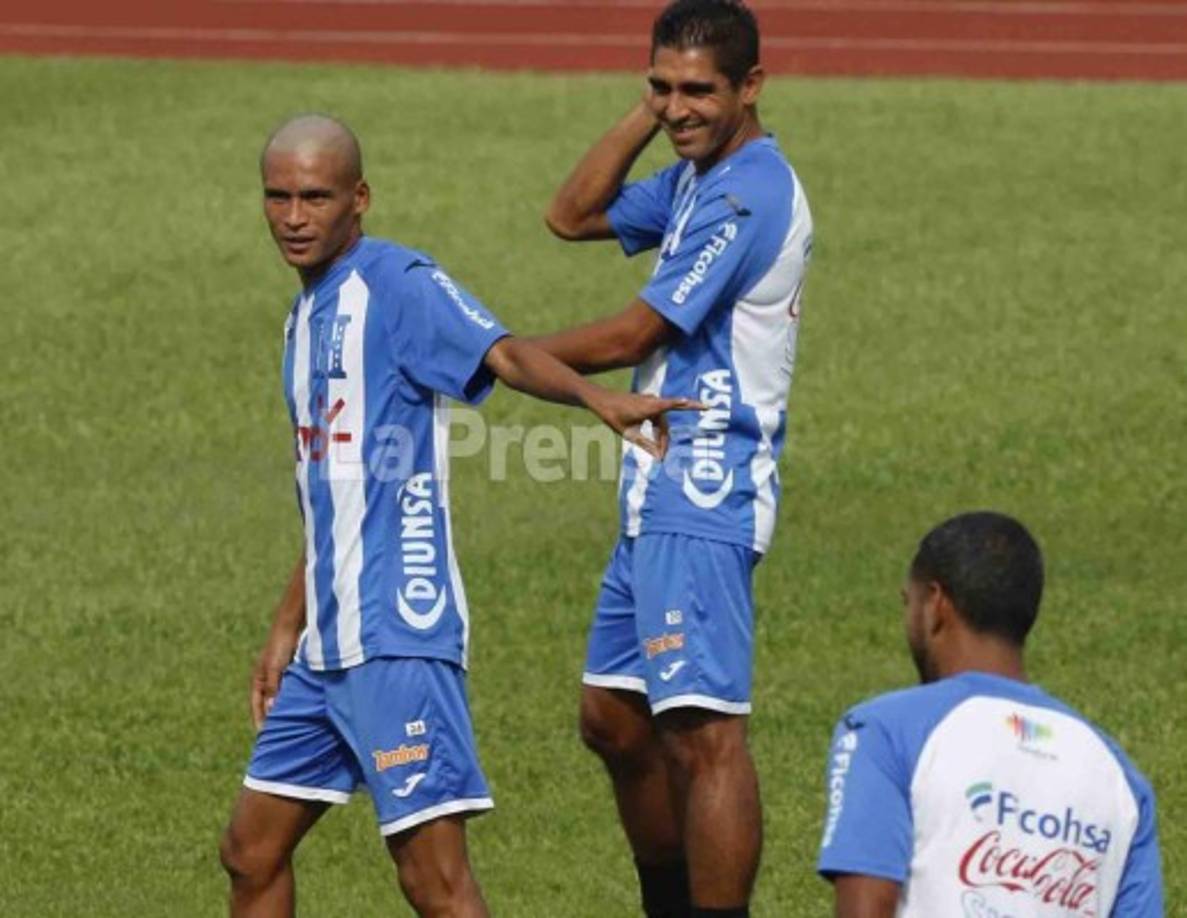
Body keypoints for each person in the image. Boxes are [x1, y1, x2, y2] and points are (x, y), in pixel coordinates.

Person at [217, 113, 696, 918]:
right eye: (278, 196)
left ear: (358, 198)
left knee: (434, 883)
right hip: (327, 650)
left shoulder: (397, 284)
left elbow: (501, 352)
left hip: (397, 638)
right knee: (250, 853)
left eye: (315, 196)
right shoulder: (304, 318)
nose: (294, 216)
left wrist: (594, 397)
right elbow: (334, 493)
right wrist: (286, 624)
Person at [530, 1, 813, 914]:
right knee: (614, 721)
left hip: (707, 485)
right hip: (655, 483)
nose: (677, 107)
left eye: (698, 90)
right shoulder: (697, 174)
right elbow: (568, 215)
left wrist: (496, 355)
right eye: (662, 86)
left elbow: (633, 333)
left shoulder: (747, 194)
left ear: (752, 88)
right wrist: (648, 116)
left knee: (701, 736)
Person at [817, 511, 1164, 917]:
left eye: (908, 603)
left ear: (935, 605)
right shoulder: (1119, 777)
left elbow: (865, 908)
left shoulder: (884, 730)